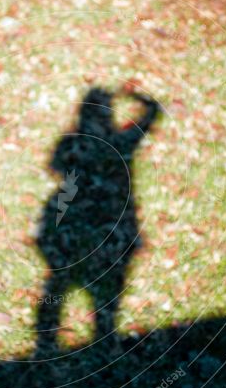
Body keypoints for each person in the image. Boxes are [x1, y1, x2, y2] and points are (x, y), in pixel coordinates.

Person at [35, 86, 162, 352]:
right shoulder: (121, 142)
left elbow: (55, 167)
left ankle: (48, 344)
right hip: (112, 225)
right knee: (104, 290)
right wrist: (134, 95)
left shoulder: (75, 143)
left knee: (60, 283)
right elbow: (152, 112)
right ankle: (102, 340)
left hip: (82, 224)